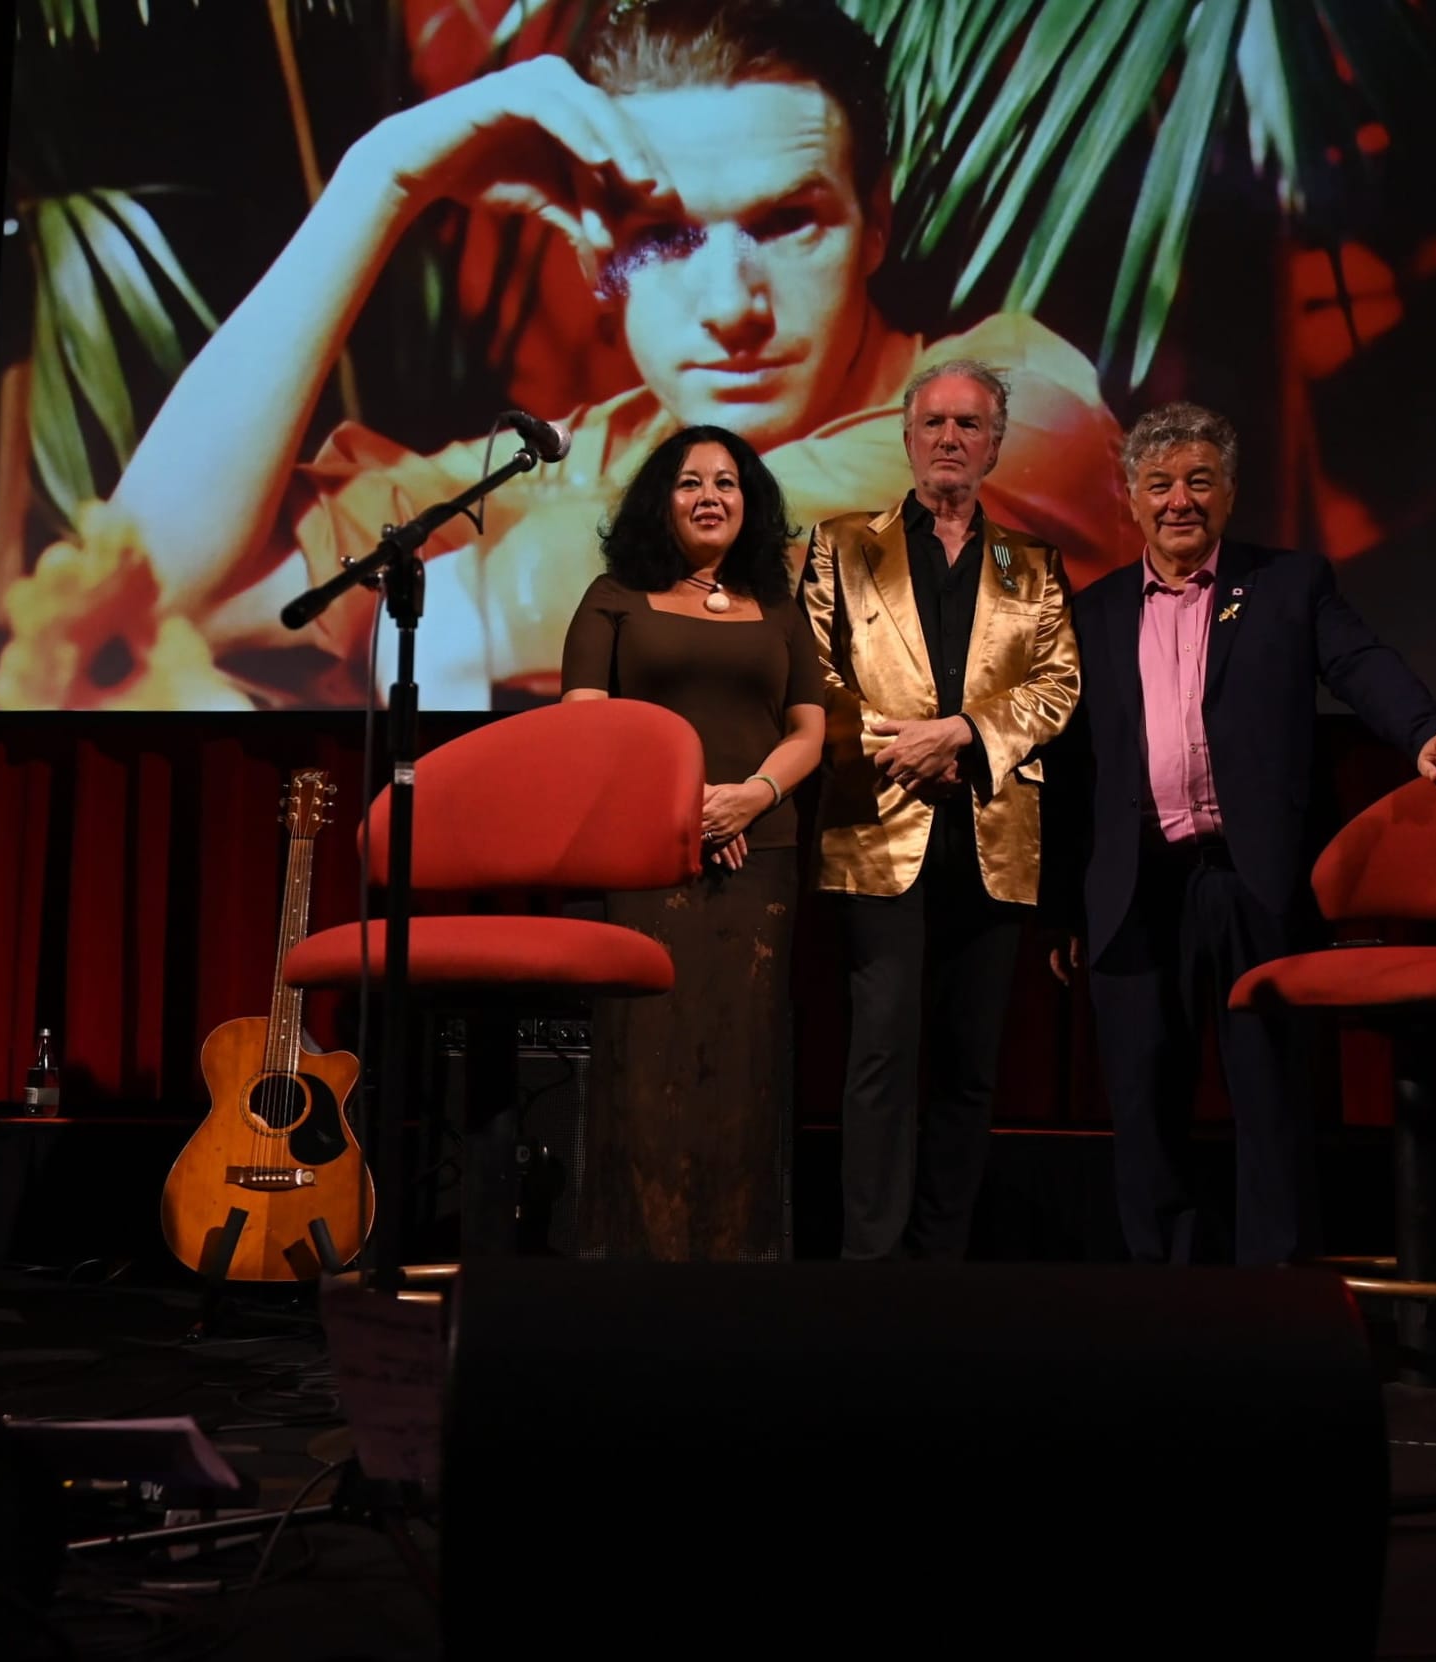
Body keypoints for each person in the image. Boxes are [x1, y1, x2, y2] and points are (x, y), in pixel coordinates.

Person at [106, 0, 1127, 710]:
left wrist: (485, 588)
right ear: (595, 250)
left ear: (873, 226)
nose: (730, 305)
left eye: (786, 224)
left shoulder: (1023, 410)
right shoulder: (582, 455)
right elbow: (146, 588)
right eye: (662, 234)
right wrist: (381, 181)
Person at [1047, 402, 1436, 1266]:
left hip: (1254, 882)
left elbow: (1361, 664)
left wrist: (1427, 729)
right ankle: (1170, 1305)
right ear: (1129, 500)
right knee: (1143, 1112)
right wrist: (1063, 902)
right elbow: (1068, 771)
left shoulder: (1289, 586)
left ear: (1230, 492)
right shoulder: (1091, 613)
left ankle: (1279, 1307)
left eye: (1199, 481)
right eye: (1160, 483)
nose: (1180, 500)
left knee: (1273, 1106)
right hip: (1136, 891)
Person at [802, 360, 1080, 1261]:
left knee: (969, 1067)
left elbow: (1058, 683)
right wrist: (900, 746)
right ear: (907, 436)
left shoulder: (1032, 565)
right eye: (934, 424)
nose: (950, 440)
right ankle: (871, 1266)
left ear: (995, 446)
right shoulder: (840, 544)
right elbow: (816, 676)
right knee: (881, 1058)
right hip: (881, 823)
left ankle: (940, 1259)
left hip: (994, 832)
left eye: (969, 426)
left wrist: (963, 733)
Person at [559, 424, 824, 1260]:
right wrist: (682, 808)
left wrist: (750, 797)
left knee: (743, 1069)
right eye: (689, 482)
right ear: (657, 502)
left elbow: (809, 729)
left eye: (728, 483)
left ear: (750, 505)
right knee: (647, 1070)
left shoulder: (779, 608)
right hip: (646, 852)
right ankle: (636, 1267)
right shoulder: (614, 597)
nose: (710, 496)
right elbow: (584, 723)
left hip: (763, 859)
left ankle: (737, 1272)